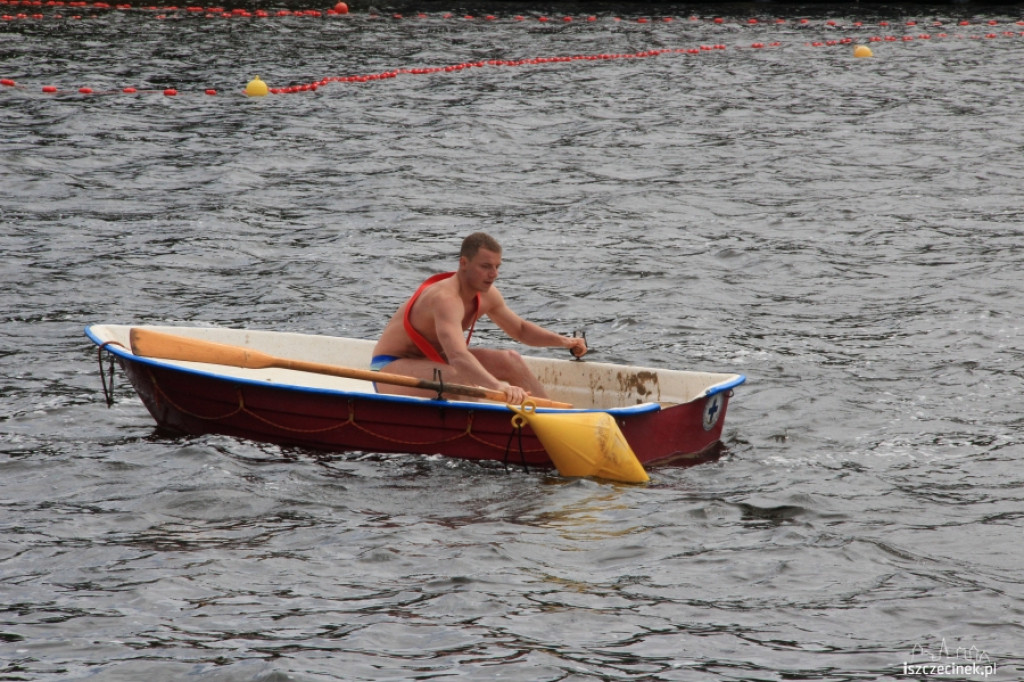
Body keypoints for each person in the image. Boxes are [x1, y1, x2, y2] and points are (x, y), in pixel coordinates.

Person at [370, 232, 587, 404]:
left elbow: (520, 329)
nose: (494, 274)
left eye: (497, 267)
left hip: (432, 362)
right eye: (485, 266)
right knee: (460, 375)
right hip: (388, 368)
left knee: (511, 360)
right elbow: (458, 357)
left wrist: (564, 341)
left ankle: (548, 418)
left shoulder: (487, 294)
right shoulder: (445, 298)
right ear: (463, 263)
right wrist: (499, 387)